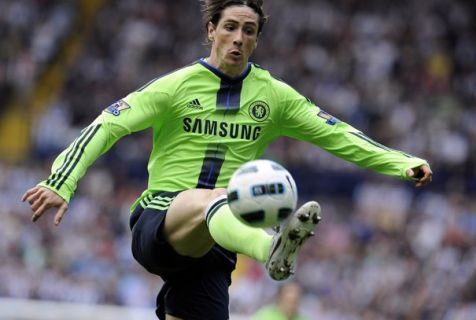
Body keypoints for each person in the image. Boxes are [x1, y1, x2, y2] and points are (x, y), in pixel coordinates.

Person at [21, 0, 433, 319]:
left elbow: (337, 133)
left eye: (249, 31)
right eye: (231, 27)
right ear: (211, 31)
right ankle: (270, 247)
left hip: (215, 249)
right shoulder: (176, 86)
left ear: (256, 40)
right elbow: (108, 124)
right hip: (162, 218)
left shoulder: (273, 96)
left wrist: (401, 162)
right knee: (218, 197)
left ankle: (264, 244)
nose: (239, 37)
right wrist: (62, 181)